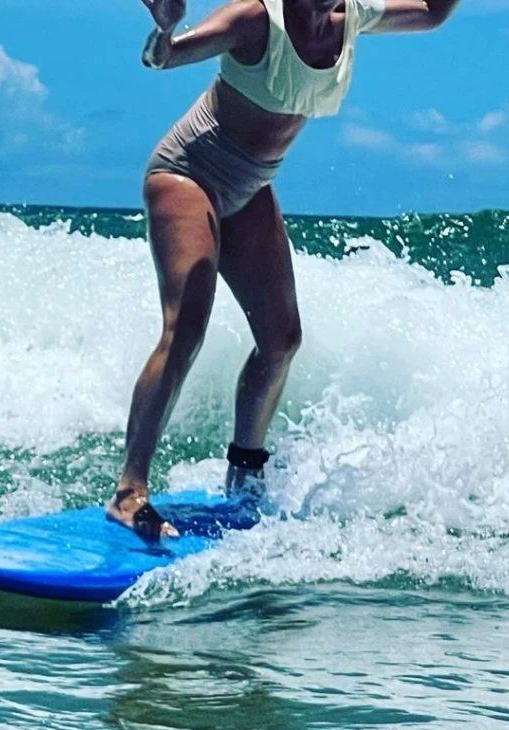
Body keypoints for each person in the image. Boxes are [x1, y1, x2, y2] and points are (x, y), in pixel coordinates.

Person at [107, 0, 462, 538]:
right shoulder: (253, 19)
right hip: (188, 173)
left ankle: (243, 479)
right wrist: (163, 28)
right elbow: (163, 59)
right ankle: (129, 491)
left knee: (281, 338)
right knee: (186, 328)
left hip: (249, 187)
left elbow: (433, 14)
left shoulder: (353, 17)